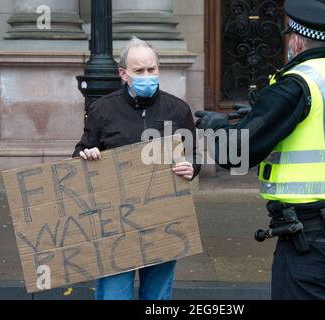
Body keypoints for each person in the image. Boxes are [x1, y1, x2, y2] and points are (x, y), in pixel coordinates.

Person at [195, 0, 325, 300]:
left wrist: (216, 125)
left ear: (296, 39)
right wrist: (262, 116)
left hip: (310, 242)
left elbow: (234, 154)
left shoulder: (297, 84)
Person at [72, 36, 201, 300]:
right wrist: (86, 155)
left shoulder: (177, 109)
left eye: (151, 69)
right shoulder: (101, 110)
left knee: (157, 297)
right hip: (115, 223)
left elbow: (194, 153)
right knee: (114, 295)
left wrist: (192, 168)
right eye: (139, 71)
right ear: (123, 74)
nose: (146, 76)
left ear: (158, 68)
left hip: (162, 218)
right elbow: (80, 152)